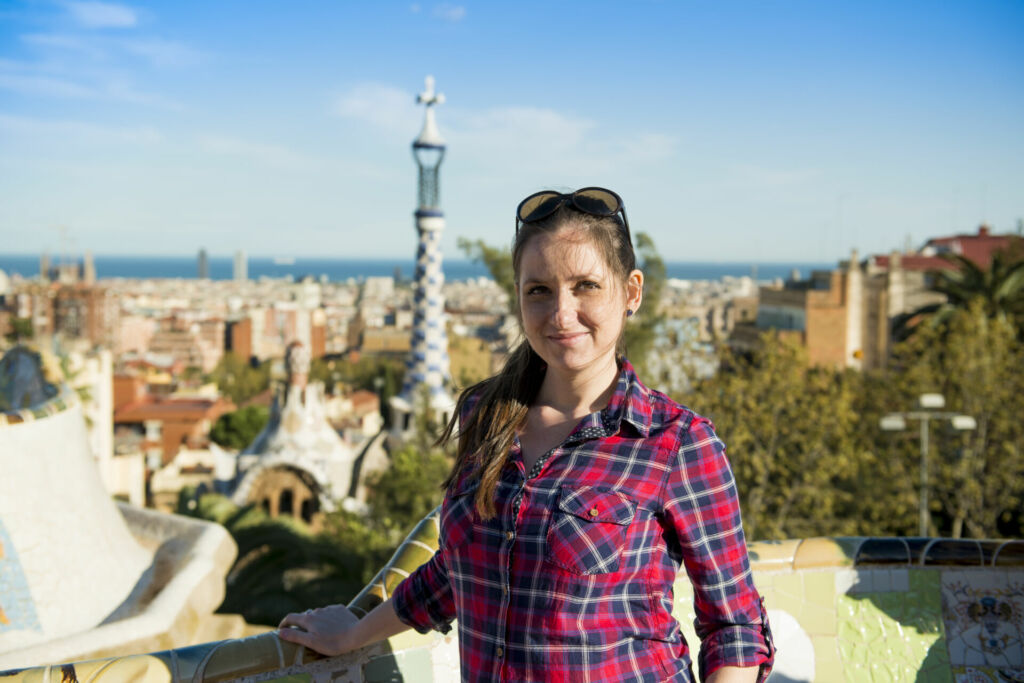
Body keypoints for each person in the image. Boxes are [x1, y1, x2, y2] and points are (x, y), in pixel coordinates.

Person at [279, 187, 775, 682]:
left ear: (631, 292)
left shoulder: (676, 444)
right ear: (517, 297)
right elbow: (460, 571)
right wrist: (353, 632)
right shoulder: (487, 416)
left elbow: (734, 629)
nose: (561, 314)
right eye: (538, 290)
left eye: (586, 286)